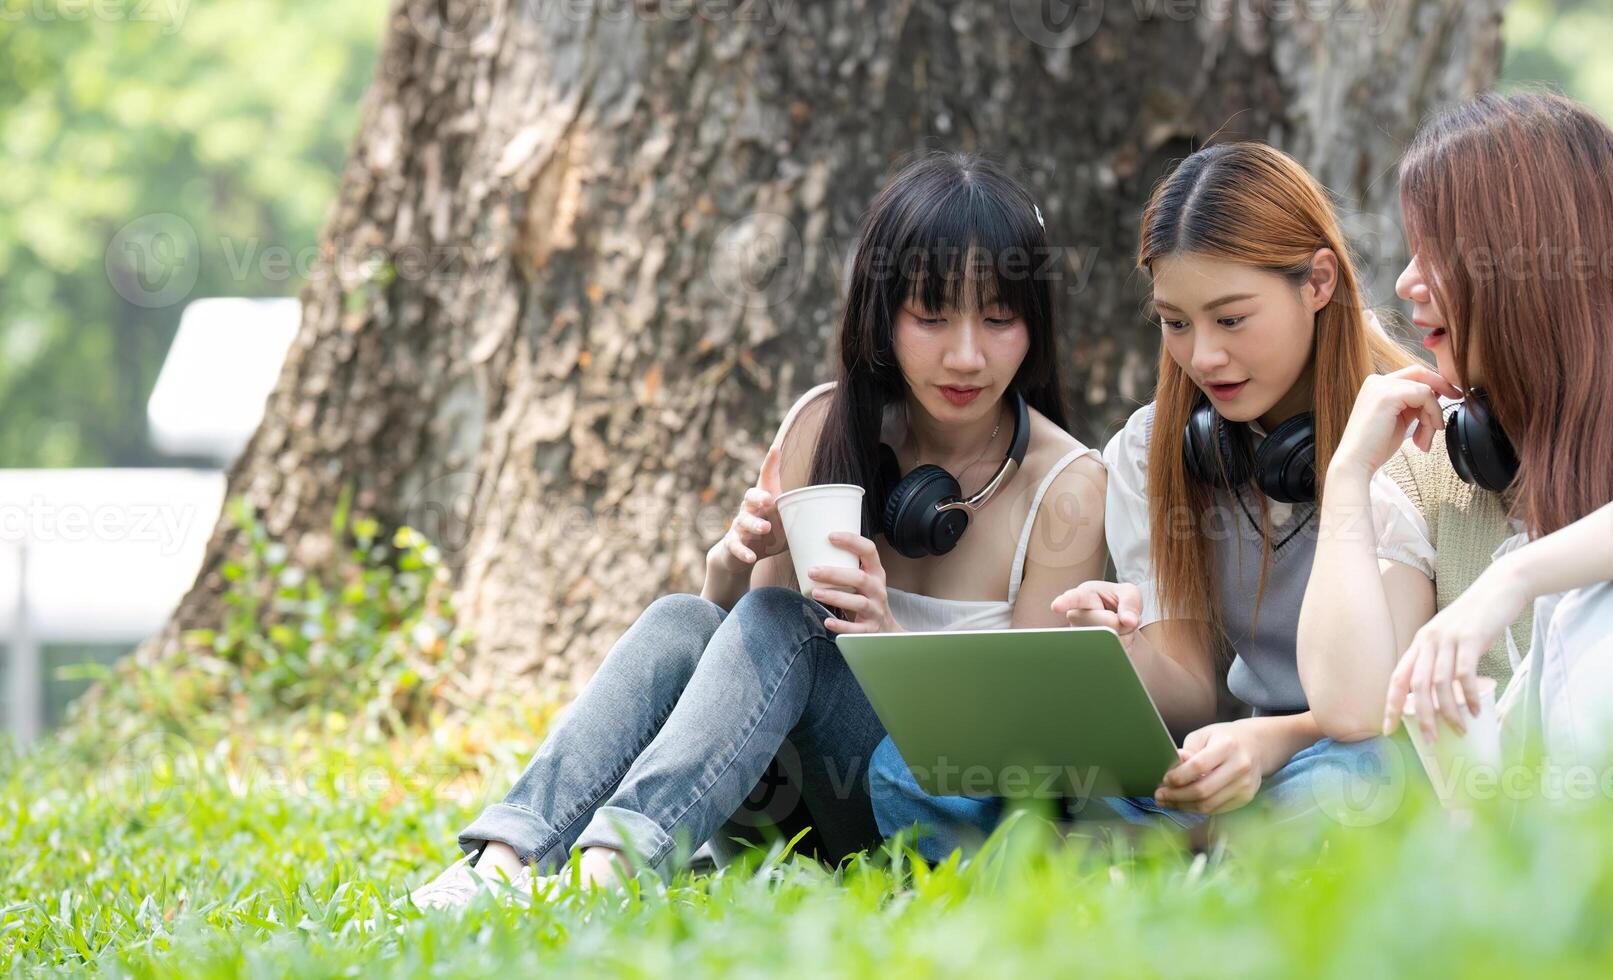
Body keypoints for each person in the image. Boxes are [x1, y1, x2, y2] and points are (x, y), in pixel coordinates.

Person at [410, 152, 1110, 908]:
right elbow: (751, 653)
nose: (966, 354)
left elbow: (1032, 753)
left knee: (800, 629)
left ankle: (608, 870)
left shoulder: (1066, 485)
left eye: (999, 318)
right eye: (932, 316)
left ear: (1033, 327)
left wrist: (887, 647)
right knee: (687, 616)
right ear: (881, 314)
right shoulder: (824, 426)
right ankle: (505, 860)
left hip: (927, 823)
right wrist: (732, 564)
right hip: (775, 814)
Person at [869, 142, 1411, 862]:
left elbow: (1391, 707)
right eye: (1176, 322)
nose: (1203, 356)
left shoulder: (1401, 426)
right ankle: (1185, 861)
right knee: (904, 772)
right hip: (1213, 770)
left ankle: (1121, 867)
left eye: (1231, 319)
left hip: (1331, 753)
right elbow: (1183, 690)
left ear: (1316, 283)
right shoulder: (1152, 446)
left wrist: (1270, 741)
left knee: (1350, 783)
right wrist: (1117, 649)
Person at [1300, 91, 1613, 779]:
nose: (1406, 281)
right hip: (1523, 849)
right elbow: (1354, 708)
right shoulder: (1431, 464)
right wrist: (1347, 478)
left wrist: (1512, 579)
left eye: (1434, 252)